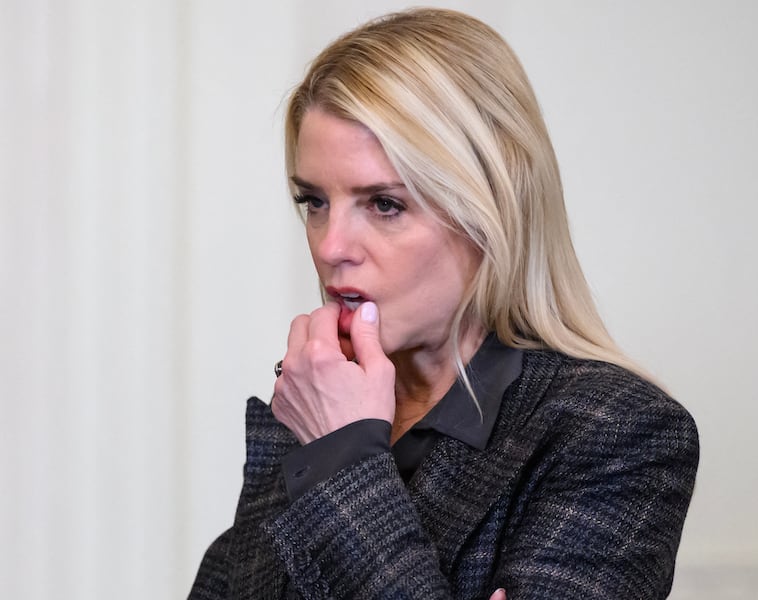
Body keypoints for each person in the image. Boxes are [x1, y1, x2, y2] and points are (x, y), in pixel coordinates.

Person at [189, 7, 699, 599]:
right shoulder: (311, 405)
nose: (330, 247)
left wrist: (343, 457)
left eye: (384, 204)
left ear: (491, 209)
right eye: (314, 201)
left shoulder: (615, 433)